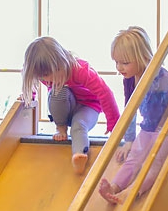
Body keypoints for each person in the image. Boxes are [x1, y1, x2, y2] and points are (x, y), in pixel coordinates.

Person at [99, 26, 168, 204]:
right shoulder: (129, 80)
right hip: (148, 127)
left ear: (142, 57)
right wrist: (129, 140)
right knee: (133, 159)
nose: (119, 68)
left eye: (124, 63)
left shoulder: (160, 76)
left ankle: (132, 191)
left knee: (154, 162)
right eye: (116, 62)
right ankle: (115, 187)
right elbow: (129, 110)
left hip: (165, 127)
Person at [21, 36, 120, 175]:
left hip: (88, 107)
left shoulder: (79, 69)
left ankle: (79, 155)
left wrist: (113, 123)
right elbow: (30, 81)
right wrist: (29, 98)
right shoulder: (42, 74)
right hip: (65, 108)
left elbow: (104, 92)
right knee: (58, 91)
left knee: (79, 125)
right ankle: (61, 128)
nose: (46, 80)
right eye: (41, 77)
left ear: (60, 64)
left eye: (47, 75)